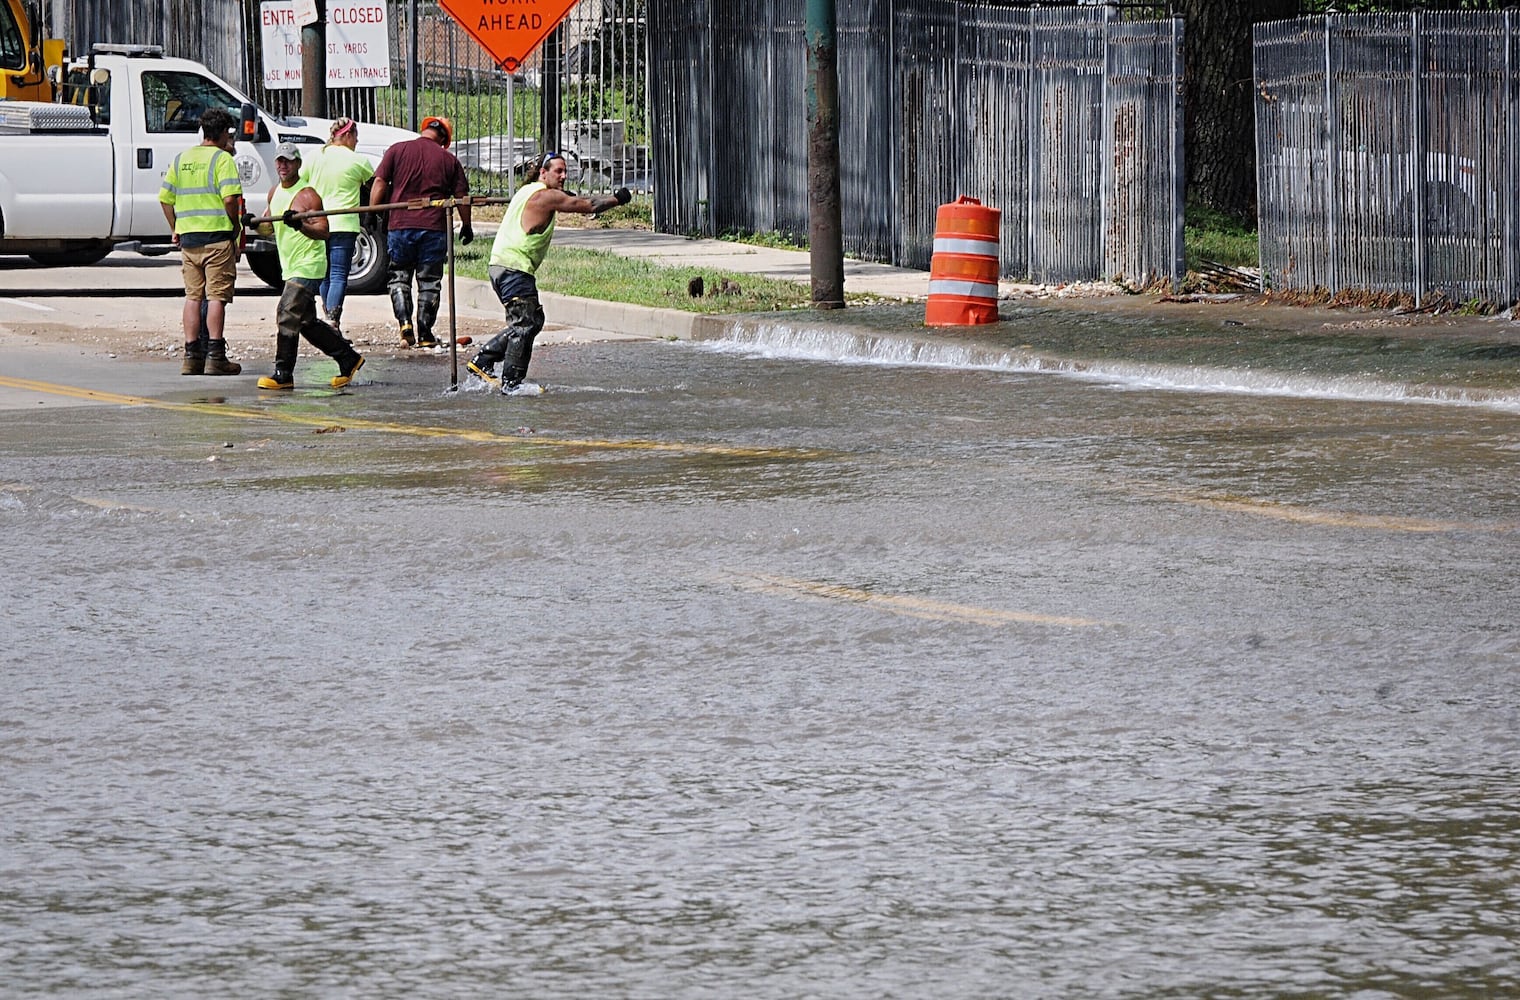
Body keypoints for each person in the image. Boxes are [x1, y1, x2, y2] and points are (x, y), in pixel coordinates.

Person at [467, 153, 629, 393]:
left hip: (501, 266)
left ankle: (482, 362)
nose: (564, 176)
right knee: (524, 324)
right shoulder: (546, 195)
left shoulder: (527, 190)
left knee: (533, 320)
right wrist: (618, 198)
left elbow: (567, 198)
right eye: (558, 171)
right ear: (543, 173)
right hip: (515, 268)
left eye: (565, 171)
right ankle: (511, 385)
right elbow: (589, 206)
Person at [249, 143, 365, 392]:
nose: (283, 165)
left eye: (288, 161)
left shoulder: (307, 195)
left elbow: (324, 231)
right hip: (290, 265)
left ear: (298, 165)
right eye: (279, 160)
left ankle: (283, 374)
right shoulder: (274, 193)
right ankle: (348, 358)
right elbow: (269, 227)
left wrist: (300, 225)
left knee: (286, 313)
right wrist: (254, 224)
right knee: (306, 323)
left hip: (309, 265)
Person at [368, 115, 472, 349]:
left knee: (399, 277)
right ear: (444, 138)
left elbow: (380, 183)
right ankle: (425, 332)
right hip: (434, 228)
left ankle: (404, 323)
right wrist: (466, 224)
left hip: (401, 226)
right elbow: (462, 198)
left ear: (424, 129)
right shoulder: (449, 160)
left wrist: (372, 212)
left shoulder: (397, 150)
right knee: (429, 281)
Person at [159, 106, 243, 376]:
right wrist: (234, 224)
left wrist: (176, 228)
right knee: (217, 297)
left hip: (189, 239)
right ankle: (215, 356)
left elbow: (165, 198)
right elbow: (230, 198)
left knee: (193, 297)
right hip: (217, 237)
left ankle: (191, 356)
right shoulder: (222, 159)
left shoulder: (181, 159)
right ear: (222, 134)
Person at [299, 116, 375, 332]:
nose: (357, 142)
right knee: (339, 273)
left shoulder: (313, 157)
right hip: (344, 224)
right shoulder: (357, 160)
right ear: (348, 135)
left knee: (324, 272)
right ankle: (333, 319)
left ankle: (327, 317)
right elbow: (376, 185)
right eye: (356, 137)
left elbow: (299, 185)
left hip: (317, 223)